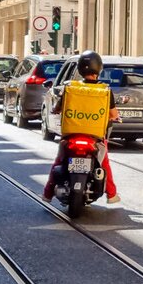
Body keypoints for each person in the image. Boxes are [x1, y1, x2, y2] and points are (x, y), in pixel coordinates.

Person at [46, 50, 119, 203]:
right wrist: (116, 118)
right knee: (104, 163)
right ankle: (111, 195)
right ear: (99, 68)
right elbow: (113, 114)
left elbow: (58, 108)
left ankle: (47, 193)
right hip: (95, 136)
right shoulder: (105, 91)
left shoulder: (70, 88)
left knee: (58, 161)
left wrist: (55, 110)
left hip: (71, 134)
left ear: (80, 68)